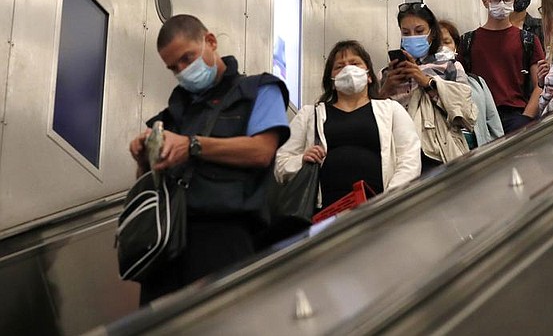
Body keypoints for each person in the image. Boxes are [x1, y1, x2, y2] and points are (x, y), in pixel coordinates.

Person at [128, 15, 290, 304]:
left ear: (210, 42)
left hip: (225, 234)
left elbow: (262, 152)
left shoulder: (259, 90)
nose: (182, 71)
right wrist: (144, 157)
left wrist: (192, 145)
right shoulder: (172, 114)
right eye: (173, 67)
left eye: (187, 58)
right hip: (168, 241)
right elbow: (150, 182)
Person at [275, 40, 420, 211]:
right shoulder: (309, 115)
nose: (348, 69)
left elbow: (409, 159)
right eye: (339, 66)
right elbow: (280, 164)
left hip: (379, 210)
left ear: (369, 75)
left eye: (355, 63)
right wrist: (302, 160)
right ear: (331, 80)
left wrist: (387, 201)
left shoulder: (391, 110)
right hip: (323, 213)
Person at [380, 3, 476, 172]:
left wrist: (426, 82)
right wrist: (386, 89)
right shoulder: (388, 73)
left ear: (432, 33)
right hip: (400, 153)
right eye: (406, 32)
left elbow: (466, 114)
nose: (412, 37)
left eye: (419, 31)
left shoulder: (450, 67)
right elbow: (375, 114)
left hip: (438, 152)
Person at [458, 0, 545, 134]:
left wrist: (526, 118)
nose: (502, 4)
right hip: (479, 118)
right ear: (485, 2)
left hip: (515, 116)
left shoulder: (528, 40)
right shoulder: (468, 41)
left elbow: (539, 85)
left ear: (513, 0)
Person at [440, 19, 504, 147]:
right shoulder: (425, 84)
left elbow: (494, 123)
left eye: (447, 42)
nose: (442, 48)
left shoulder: (477, 82)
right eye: (436, 43)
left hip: (479, 154)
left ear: (456, 47)